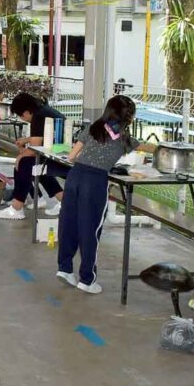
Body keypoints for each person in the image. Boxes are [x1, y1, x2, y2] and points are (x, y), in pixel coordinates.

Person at [57, 95, 152, 294]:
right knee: (90, 229)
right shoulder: (124, 139)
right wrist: (162, 148)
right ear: (129, 118)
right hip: (95, 182)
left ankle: (65, 269)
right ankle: (87, 279)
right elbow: (144, 147)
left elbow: (72, 156)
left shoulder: (94, 128)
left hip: (75, 176)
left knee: (69, 223)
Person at [0, 92, 66, 221]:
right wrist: (26, 140)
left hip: (62, 157)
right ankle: (64, 202)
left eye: (21, 116)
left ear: (26, 112)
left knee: (24, 164)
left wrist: (20, 156)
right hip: (61, 151)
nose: (23, 119)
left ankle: (17, 208)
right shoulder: (42, 110)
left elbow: (35, 148)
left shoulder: (38, 116)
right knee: (38, 167)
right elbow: (41, 138)